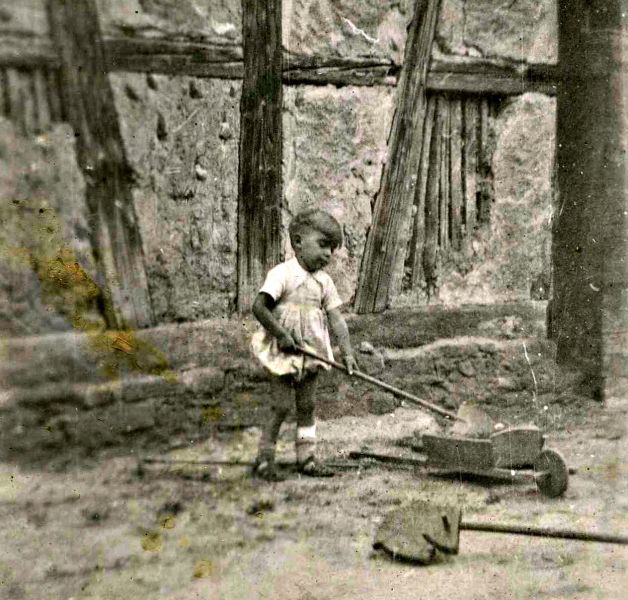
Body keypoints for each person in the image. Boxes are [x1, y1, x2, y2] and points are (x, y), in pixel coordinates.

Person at [250, 208, 358, 481]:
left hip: (311, 352)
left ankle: (307, 459)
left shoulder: (325, 282)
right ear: (298, 241)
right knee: (281, 406)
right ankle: (264, 459)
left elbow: (337, 320)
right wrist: (281, 335)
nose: (328, 254)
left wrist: (346, 351)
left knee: (307, 405)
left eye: (332, 249)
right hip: (283, 350)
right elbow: (259, 308)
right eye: (323, 245)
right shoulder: (282, 274)